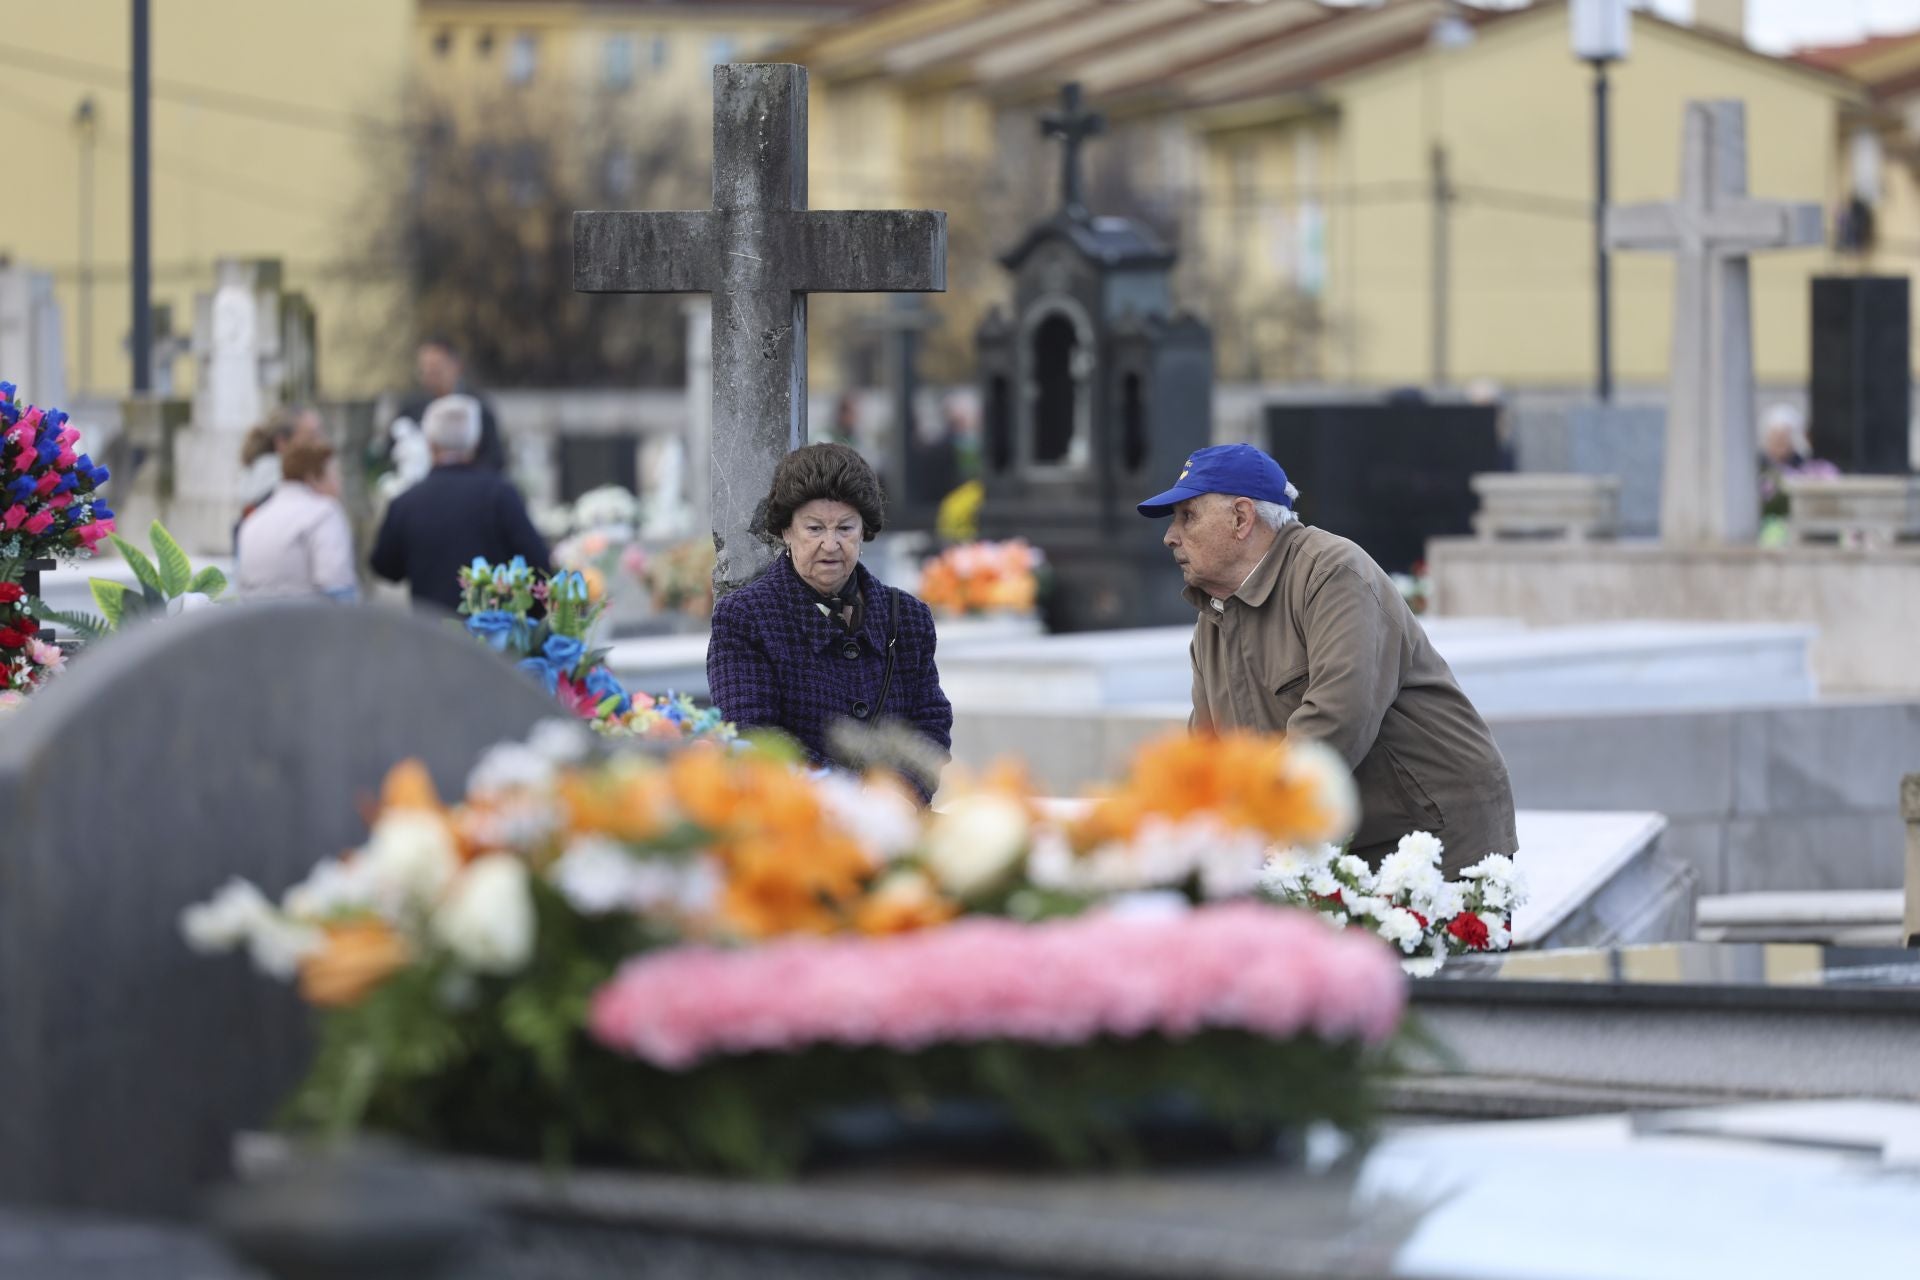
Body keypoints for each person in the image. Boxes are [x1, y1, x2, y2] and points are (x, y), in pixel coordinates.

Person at [1138, 443, 1516, 875]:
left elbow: (1336, 720)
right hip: (1334, 847)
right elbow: (1210, 750)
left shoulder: (1332, 573)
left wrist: (1254, 824)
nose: (1171, 535)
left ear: (1241, 518)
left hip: (1432, 842)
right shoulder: (1213, 616)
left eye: (1188, 516)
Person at [707, 443, 953, 800]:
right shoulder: (745, 618)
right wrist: (849, 797)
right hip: (797, 826)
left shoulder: (908, 617)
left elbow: (930, 723)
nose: (830, 544)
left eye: (845, 528)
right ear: (786, 532)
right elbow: (756, 733)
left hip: (896, 822)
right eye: (814, 528)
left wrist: (898, 797)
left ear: (863, 532)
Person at [370, 395, 549, 612]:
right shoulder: (500, 495)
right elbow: (539, 565)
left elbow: (385, 567)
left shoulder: (406, 502)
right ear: (475, 441)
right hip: (492, 634)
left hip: (431, 634)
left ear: (430, 443)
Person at [235, 435, 359, 602]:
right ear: (313, 477)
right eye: (335, 474)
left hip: (257, 623)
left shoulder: (254, 520)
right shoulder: (324, 514)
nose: (340, 482)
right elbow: (338, 584)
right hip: (308, 623)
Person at [394, 337, 507, 472]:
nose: (430, 376)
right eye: (425, 370)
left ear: (456, 366)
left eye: (436, 369)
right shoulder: (411, 408)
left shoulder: (478, 408)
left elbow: (494, 458)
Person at [236, 406, 325, 535]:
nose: (320, 444)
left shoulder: (262, 472)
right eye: (311, 437)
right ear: (282, 442)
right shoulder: (276, 479)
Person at [1759, 403, 1839, 520]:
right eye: (1774, 437)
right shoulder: (1759, 468)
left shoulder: (1813, 469)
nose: (1778, 443)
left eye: (1783, 438)